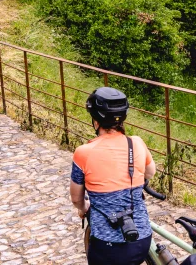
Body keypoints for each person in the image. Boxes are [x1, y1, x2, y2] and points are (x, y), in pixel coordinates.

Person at [70, 87, 156, 265]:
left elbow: (76, 198)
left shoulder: (83, 153)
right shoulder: (137, 143)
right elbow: (150, 172)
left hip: (107, 247)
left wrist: (84, 207)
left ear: (95, 121)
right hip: (142, 241)